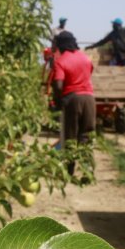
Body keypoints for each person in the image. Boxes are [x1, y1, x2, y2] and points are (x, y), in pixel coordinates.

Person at [51, 31, 95, 174]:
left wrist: (58, 101)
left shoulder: (61, 61)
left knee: (71, 135)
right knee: (86, 135)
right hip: (89, 98)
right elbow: (88, 75)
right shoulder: (86, 58)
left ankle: (69, 170)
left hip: (72, 99)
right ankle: (87, 170)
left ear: (61, 45)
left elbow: (58, 85)